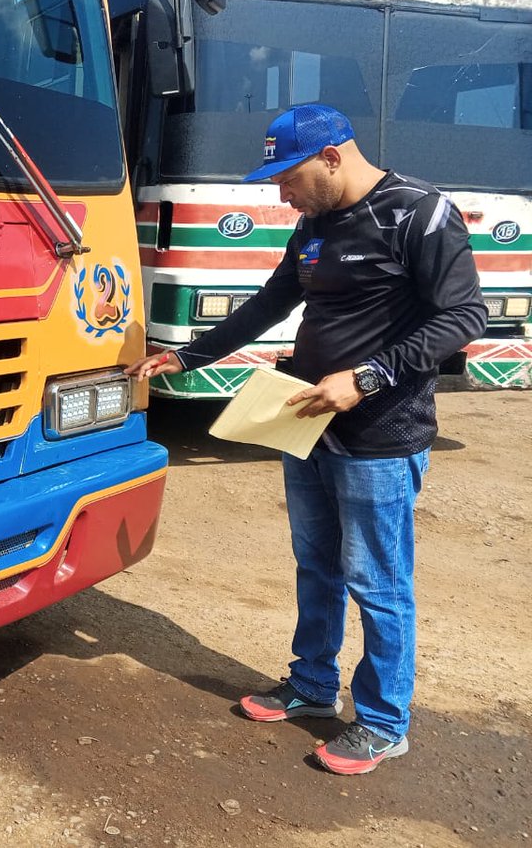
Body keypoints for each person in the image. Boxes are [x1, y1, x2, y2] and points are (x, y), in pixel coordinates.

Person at [127, 103, 487, 775]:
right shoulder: (315, 227)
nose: (280, 193)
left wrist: (370, 377)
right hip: (308, 421)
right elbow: (269, 303)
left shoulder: (417, 213)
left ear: (332, 157)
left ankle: (383, 722)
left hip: (380, 432)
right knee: (315, 563)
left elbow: (465, 313)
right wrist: (187, 356)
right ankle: (313, 686)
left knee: (376, 581)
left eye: (286, 178)